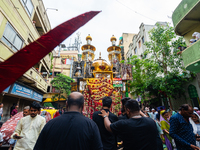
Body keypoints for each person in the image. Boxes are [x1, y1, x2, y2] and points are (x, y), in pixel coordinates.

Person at [34, 92, 103, 150]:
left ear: (66, 104)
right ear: (83, 105)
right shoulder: (91, 125)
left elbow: (38, 147)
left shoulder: (50, 124)